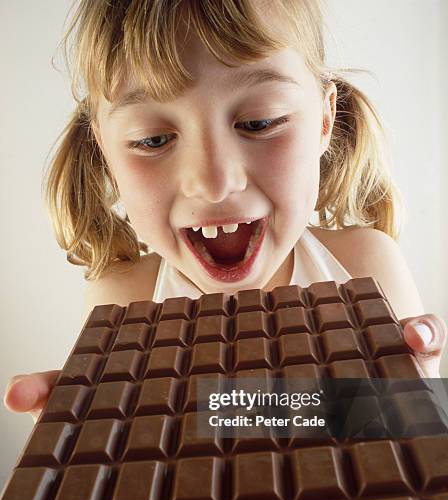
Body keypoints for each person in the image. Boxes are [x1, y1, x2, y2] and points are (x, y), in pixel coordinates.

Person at [3, 0, 446, 422]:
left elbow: (407, 448)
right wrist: (88, 458)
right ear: (104, 150)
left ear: (325, 121)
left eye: (259, 123)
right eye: (153, 140)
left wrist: (418, 410)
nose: (213, 183)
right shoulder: (123, 302)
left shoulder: (364, 265)